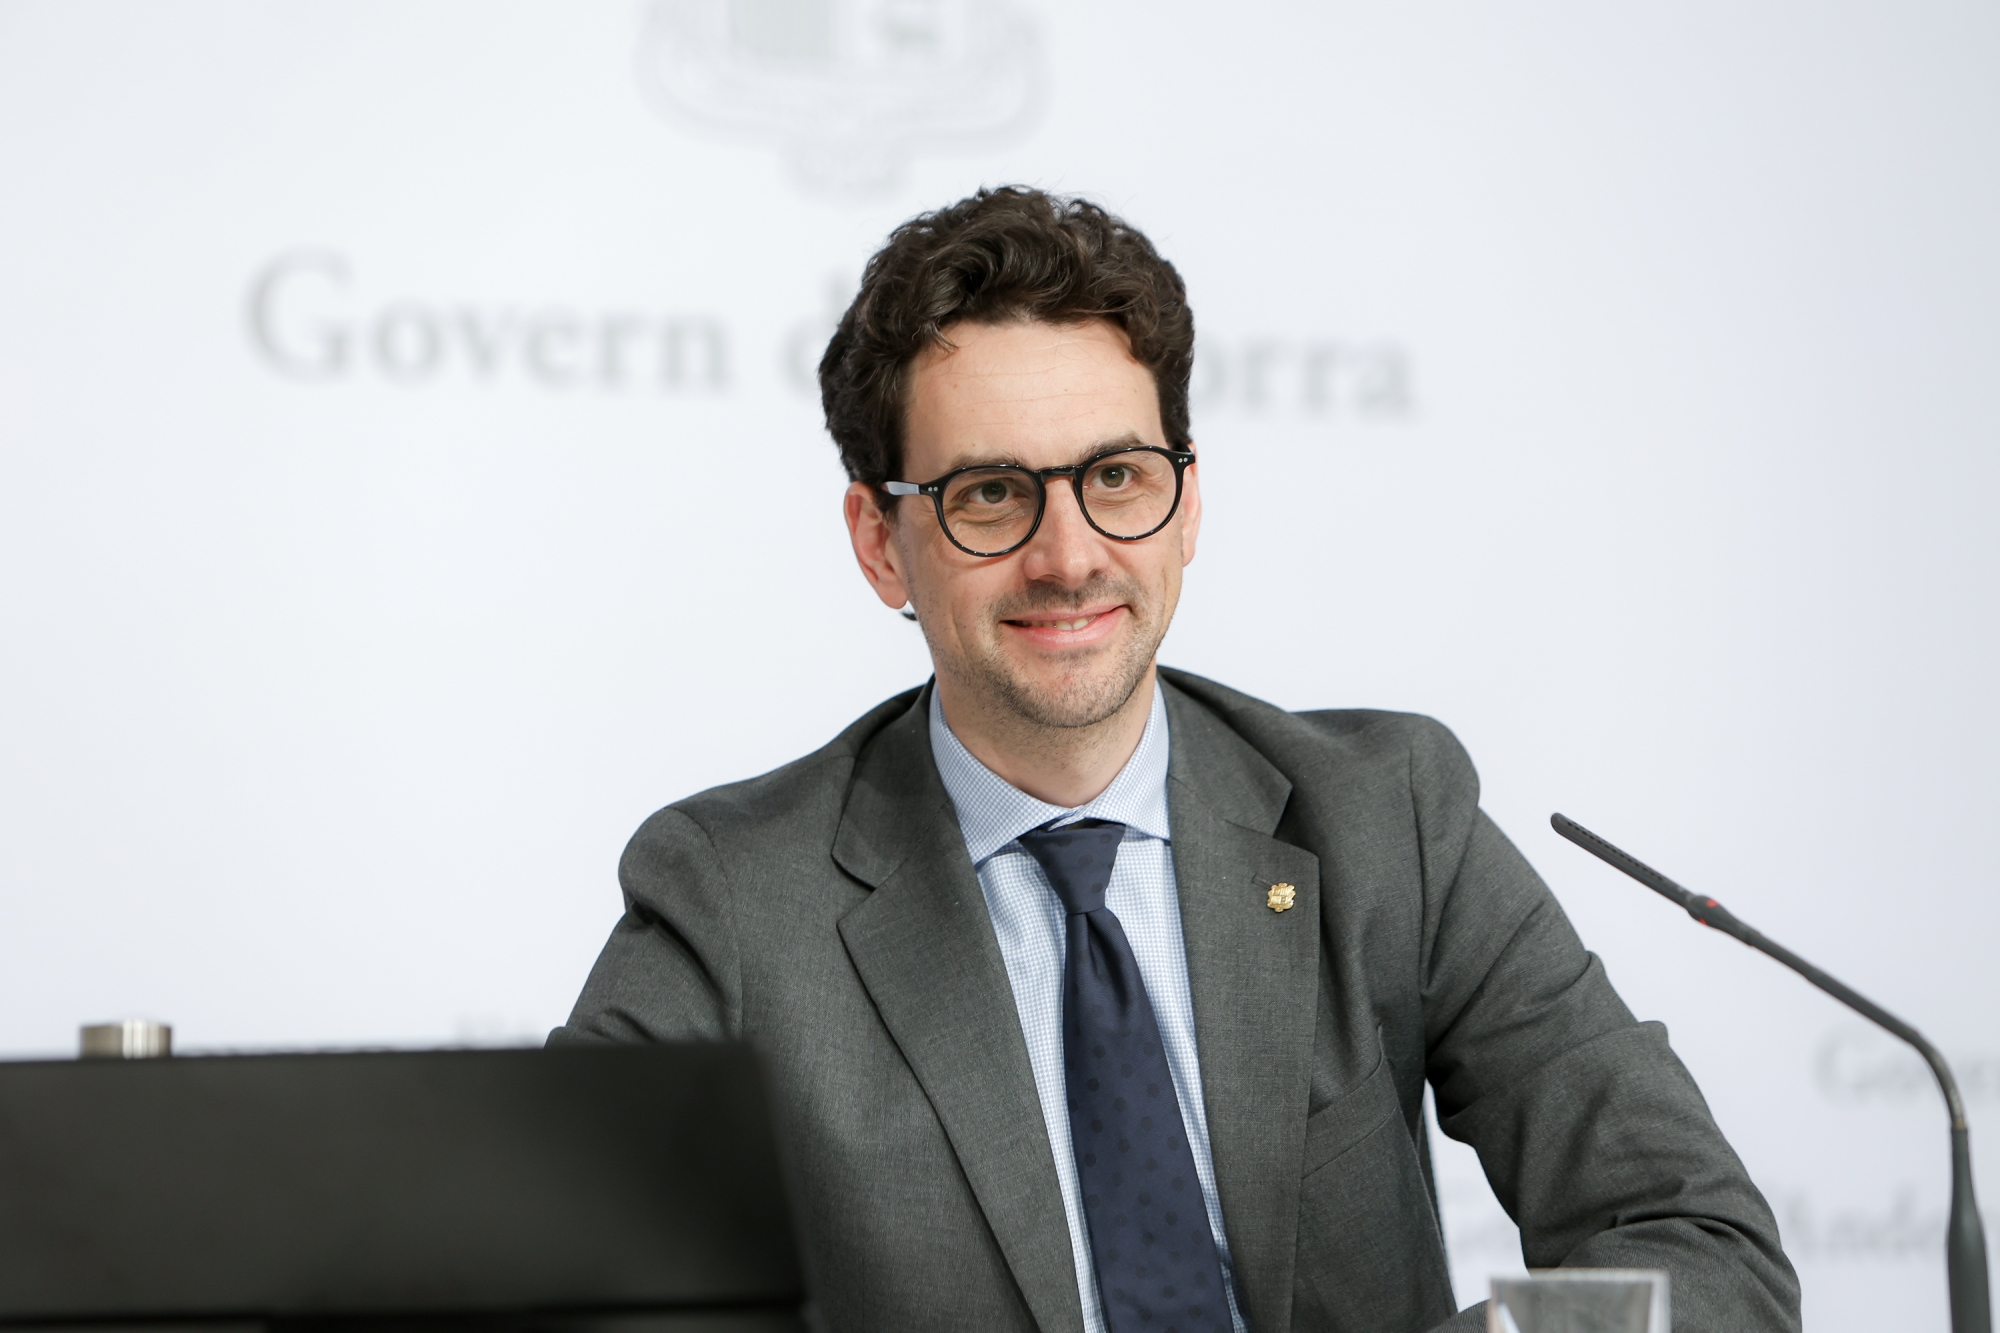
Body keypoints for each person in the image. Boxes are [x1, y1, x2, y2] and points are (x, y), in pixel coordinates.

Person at [551, 187, 1800, 1333]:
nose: (1068, 555)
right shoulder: (733, 897)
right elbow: (561, 1286)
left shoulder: (1388, 818)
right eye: (989, 494)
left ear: (1186, 504)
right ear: (881, 542)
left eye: (1115, 476)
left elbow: (1698, 1243)